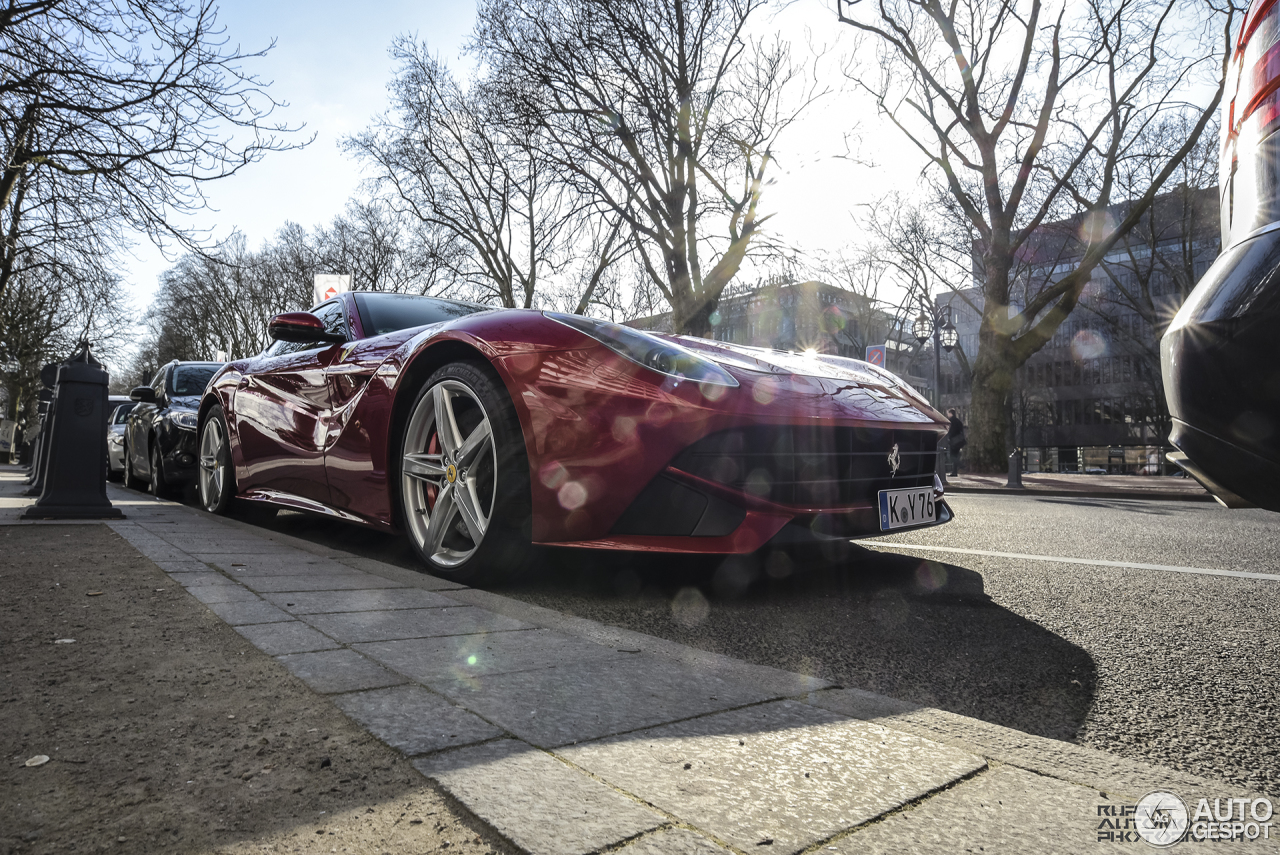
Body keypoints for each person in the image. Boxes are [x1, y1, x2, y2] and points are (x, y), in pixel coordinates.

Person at [946, 408, 966, 476]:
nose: (947, 415)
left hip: (953, 441)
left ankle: (961, 465)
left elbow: (951, 431)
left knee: (952, 456)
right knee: (955, 455)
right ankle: (954, 472)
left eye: (948, 413)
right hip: (959, 441)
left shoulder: (951, 421)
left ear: (951, 413)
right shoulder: (958, 421)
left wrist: (949, 437)